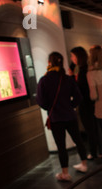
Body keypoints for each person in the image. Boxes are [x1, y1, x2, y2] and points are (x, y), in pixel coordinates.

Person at [36, 51, 88, 181]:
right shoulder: (67, 79)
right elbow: (79, 97)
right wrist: (70, 105)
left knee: (61, 146)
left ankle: (65, 173)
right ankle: (84, 164)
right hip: (70, 115)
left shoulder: (44, 80)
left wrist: (50, 108)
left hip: (56, 118)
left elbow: (40, 100)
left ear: (49, 62)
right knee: (78, 140)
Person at [69, 46, 102, 162]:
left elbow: (81, 89)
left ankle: (95, 153)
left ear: (78, 57)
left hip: (86, 104)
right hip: (90, 104)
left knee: (91, 130)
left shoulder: (84, 71)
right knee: (94, 129)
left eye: (72, 56)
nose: (71, 58)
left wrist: (72, 78)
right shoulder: (84, 69)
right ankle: (99, 152)